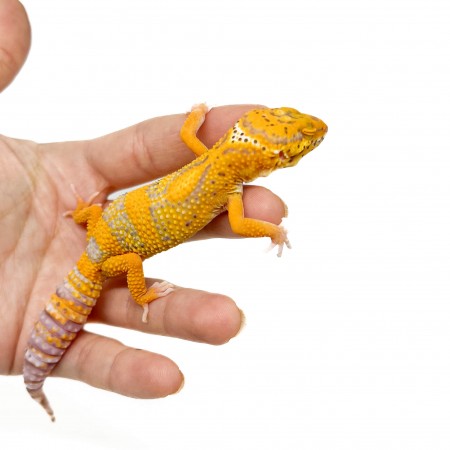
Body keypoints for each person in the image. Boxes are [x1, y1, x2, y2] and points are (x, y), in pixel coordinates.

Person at [0, 0, 286, 399]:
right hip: (107, 254)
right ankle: (129, 303)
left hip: (101, 228)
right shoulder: (229, 187)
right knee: (131, 260)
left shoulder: (214, 159)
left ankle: (82, 216)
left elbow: (190, 136)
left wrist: (195, 118)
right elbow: (239, 225)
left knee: (103, 222)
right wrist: (273, 231)